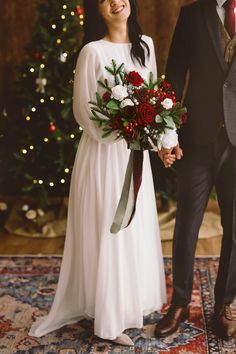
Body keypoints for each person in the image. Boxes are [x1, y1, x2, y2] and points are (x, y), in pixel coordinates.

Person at [29, 0, 166, 346]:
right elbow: (82, 111)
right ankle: (107, 320)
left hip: (135, 156)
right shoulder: (92, 51)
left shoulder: (145, 46)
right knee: (110, 228)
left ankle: (127, 304)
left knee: (133, 226)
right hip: (104, 154)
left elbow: (154, 96)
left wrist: (157, 136)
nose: (115, 1)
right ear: (97, 9)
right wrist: (121, 128)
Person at [155, 0, 236, 341]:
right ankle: (180, 303)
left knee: (234, 226)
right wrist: (167, 132)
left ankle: (225, 305)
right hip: (196, 137)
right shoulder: (192, 14)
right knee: (187, 222)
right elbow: (173, 74)